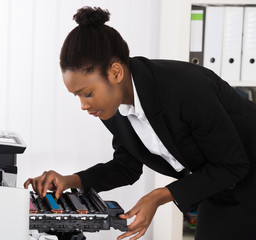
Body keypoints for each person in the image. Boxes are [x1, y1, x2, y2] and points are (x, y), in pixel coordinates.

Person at [24, 6, 256, 240]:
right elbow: (127, 166)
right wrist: (70, 181)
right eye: (77, 96)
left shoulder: (183, 89)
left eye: (87, 93)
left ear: (115, 73)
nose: (83, 105)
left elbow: (233, 164)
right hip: (220, 186)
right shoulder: (113, 108)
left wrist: (157, 197)